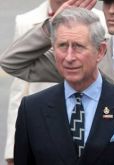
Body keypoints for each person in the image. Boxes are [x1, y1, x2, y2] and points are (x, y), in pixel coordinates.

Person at [0, 0, 114, 164]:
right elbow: (12, 62)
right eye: (107, 3)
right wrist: (54, 25)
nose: (111, 10)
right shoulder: (79, 55)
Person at [3, 0, 107, 165]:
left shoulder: (100, 19)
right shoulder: (27, 19)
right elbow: (19, 88)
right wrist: (12, 147)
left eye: (78, 46)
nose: (70, 56)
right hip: (45, 124)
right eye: (63, 46)